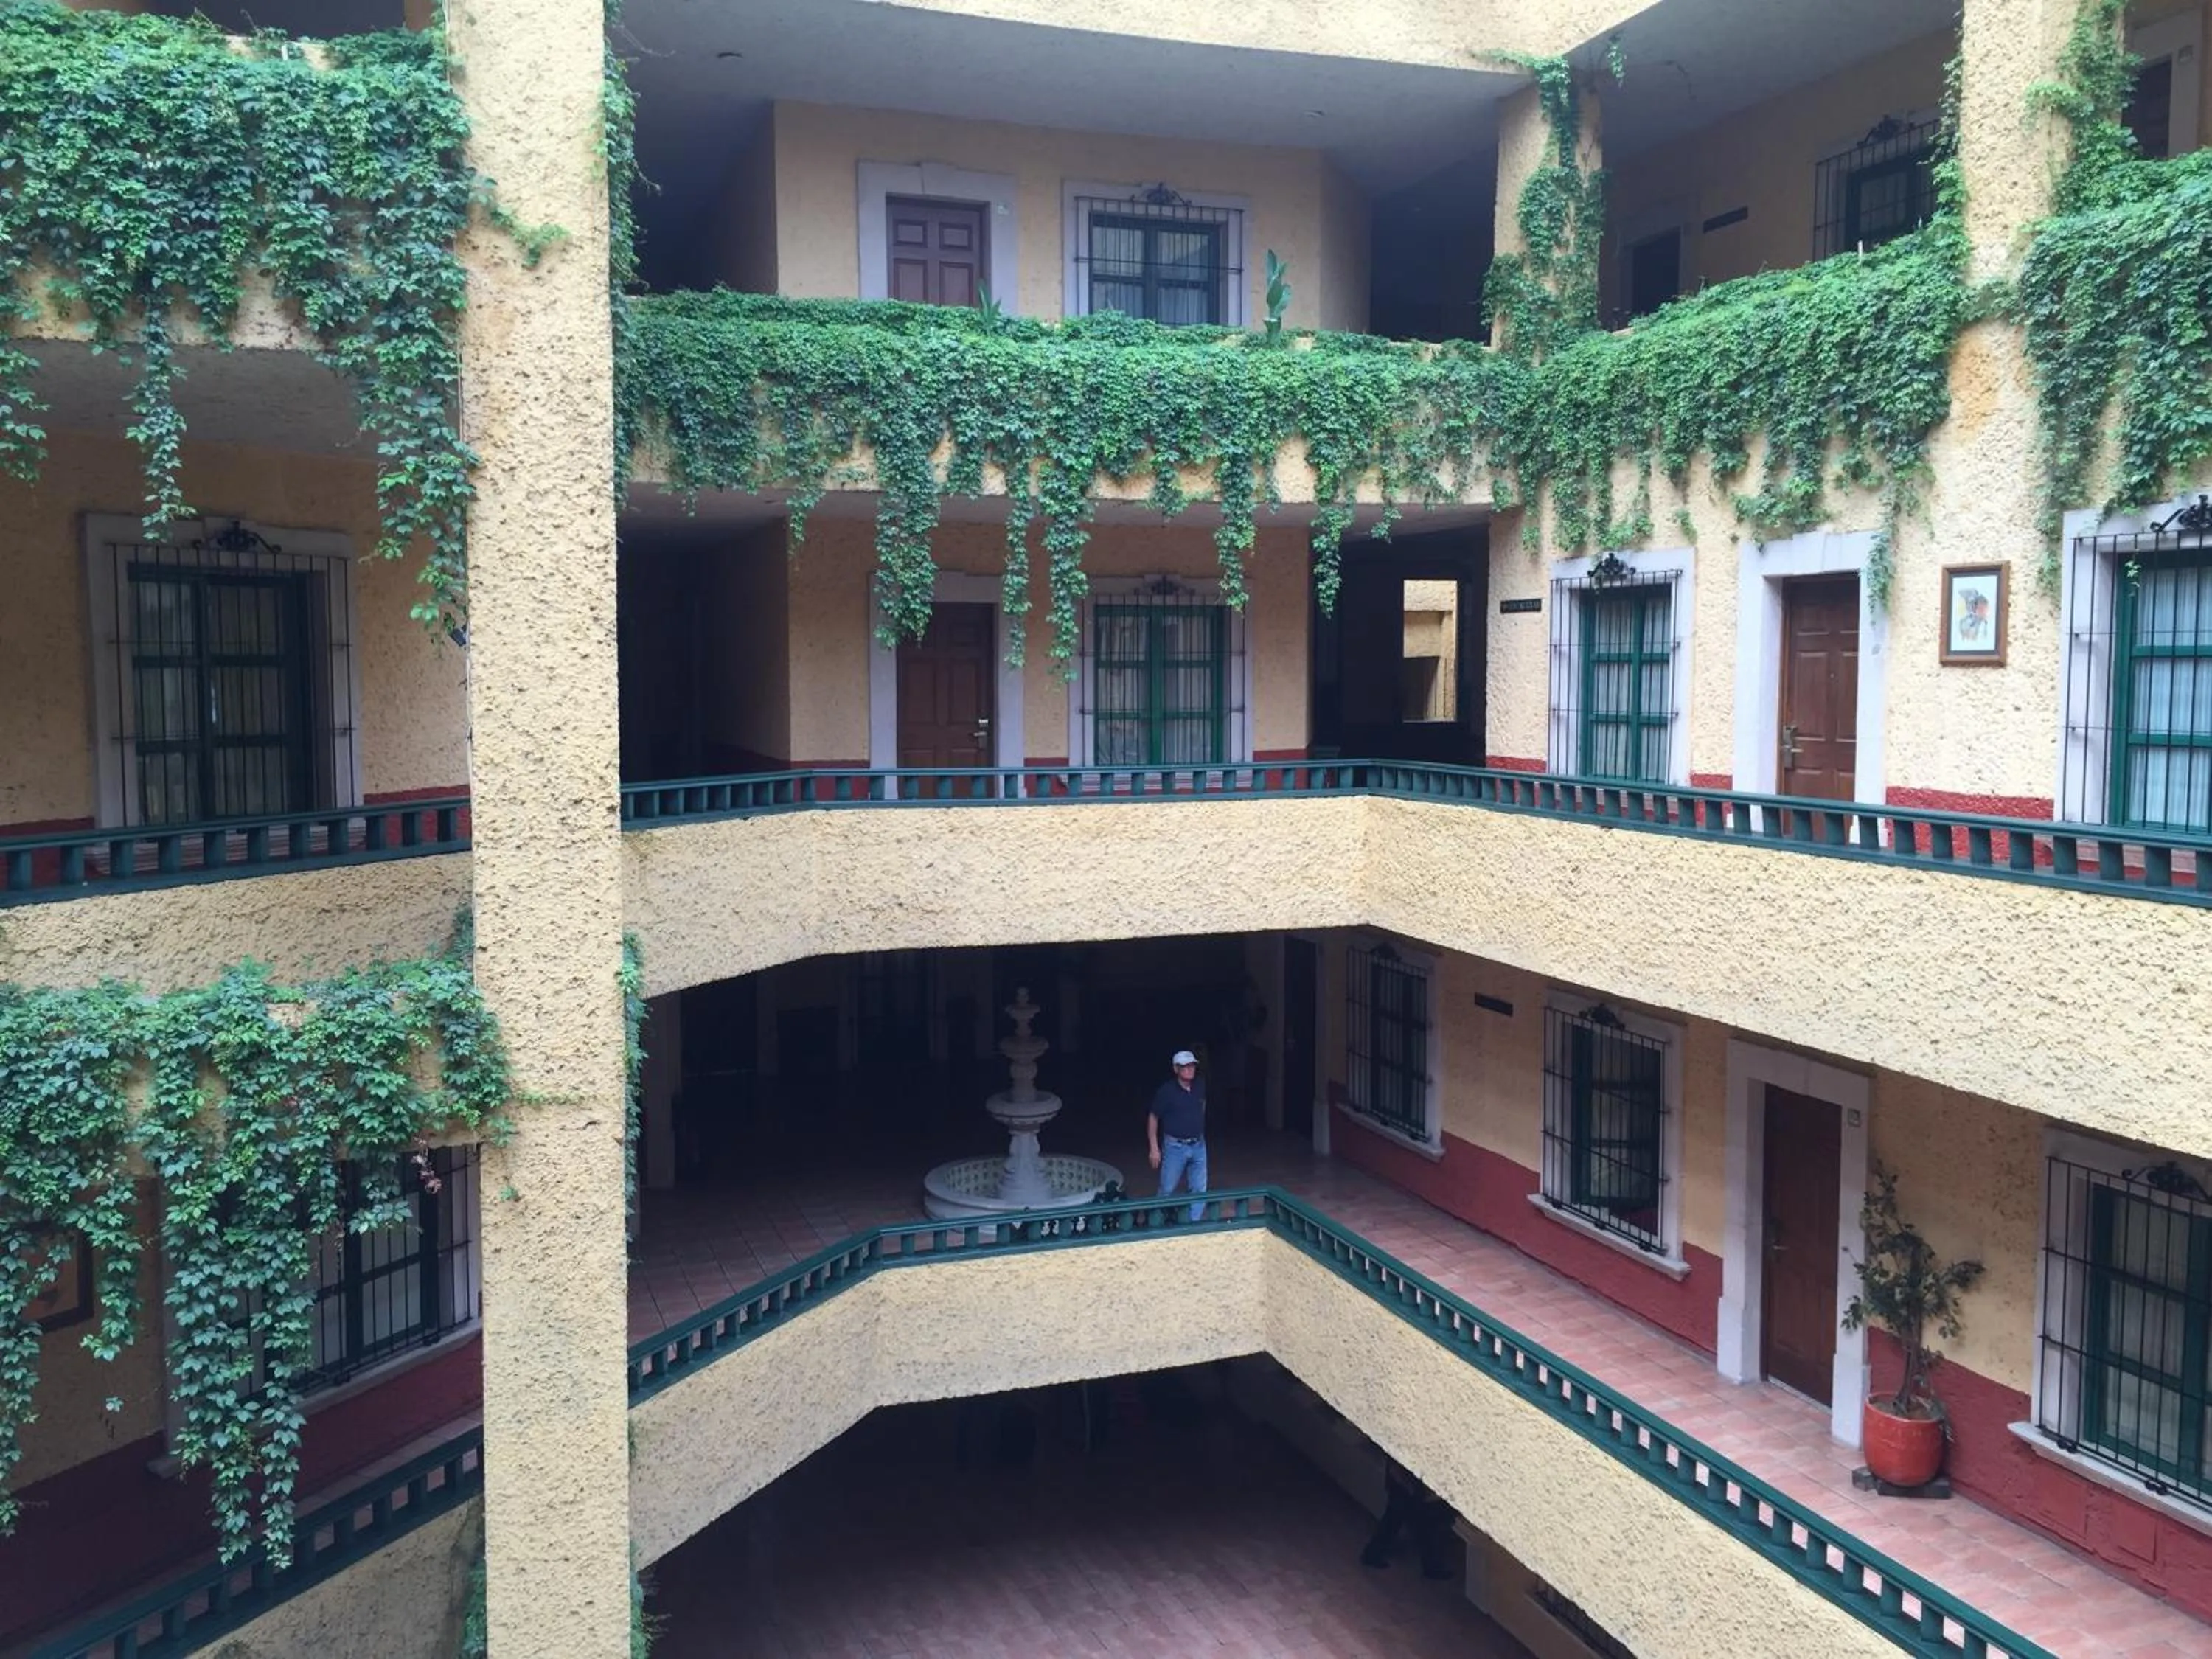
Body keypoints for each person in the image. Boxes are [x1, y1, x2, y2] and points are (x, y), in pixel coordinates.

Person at [1361, 1455, 1455, 1579]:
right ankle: (1431, 1568)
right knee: (1406, 1523)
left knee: (1395, 1521)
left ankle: (1373, 1554)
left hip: (1404, 1483)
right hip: (1407, 1485)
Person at [1147, 1049, 1208, 1222]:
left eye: (1192, 1066)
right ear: (1176, 1069)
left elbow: (1203, 1103)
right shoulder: (1166, 1091)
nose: (1189, 1069)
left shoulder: (1200, 1085)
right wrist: (1154, 1148)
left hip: (1198, 1145)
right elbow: (1153, 1117)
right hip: (1175, 1147)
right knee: (1167, 1189)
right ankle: (1157, 1223)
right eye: (1184, 1066)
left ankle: (1193, 1224)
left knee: (1199, 1189)